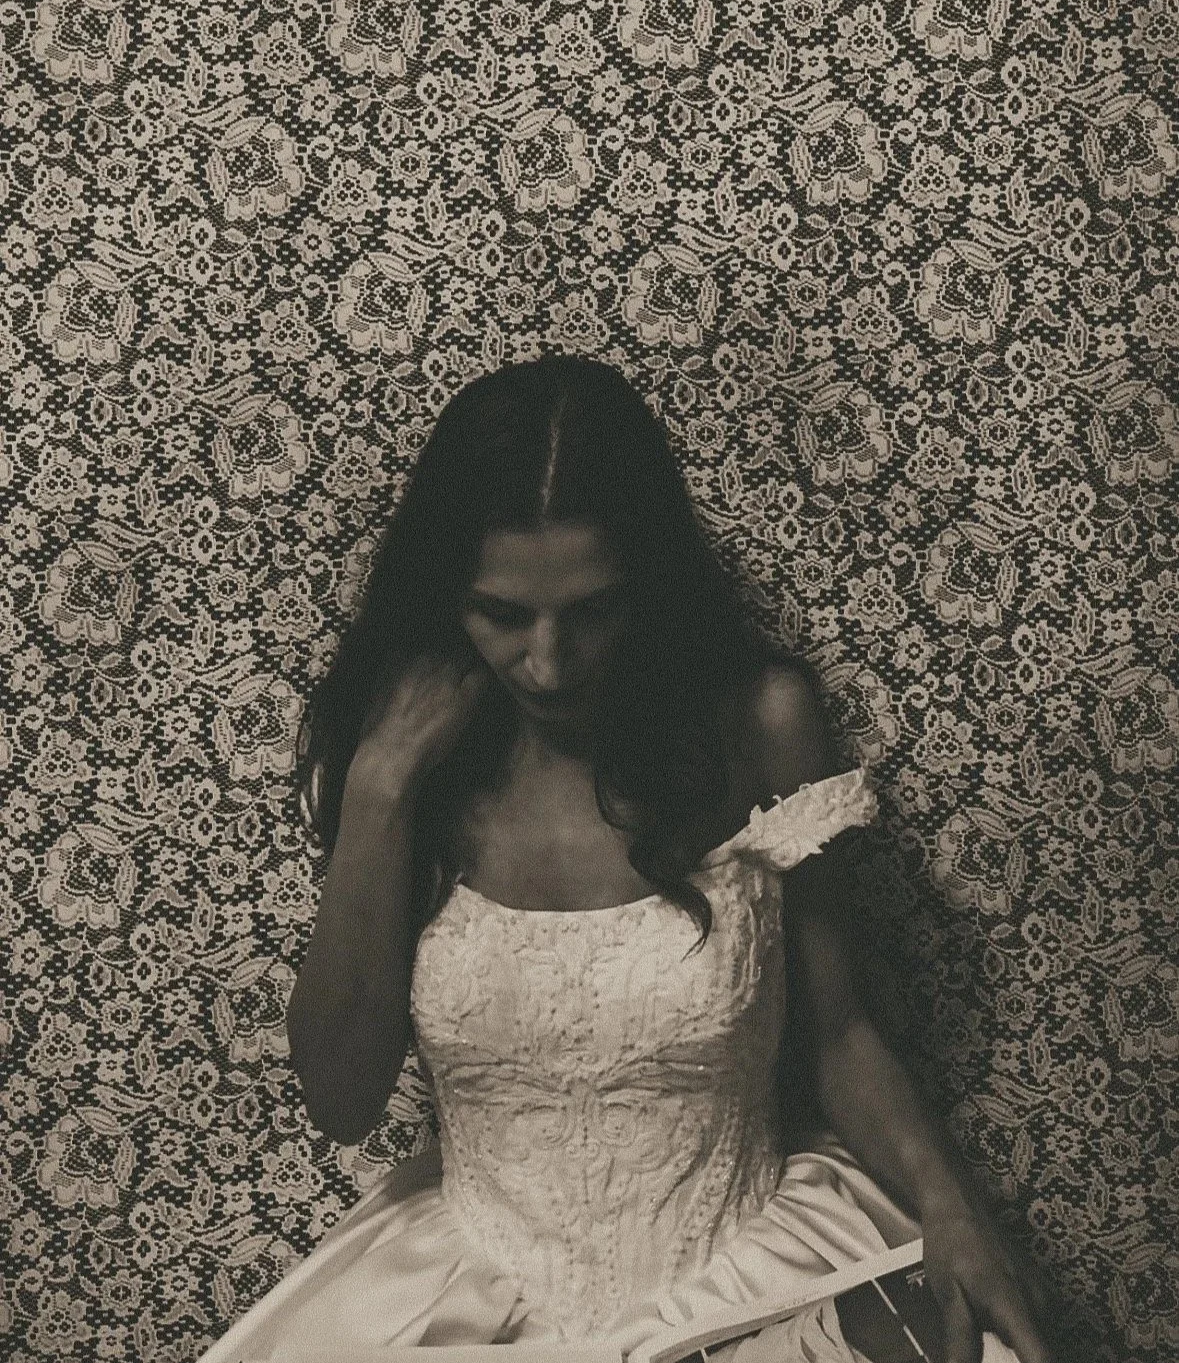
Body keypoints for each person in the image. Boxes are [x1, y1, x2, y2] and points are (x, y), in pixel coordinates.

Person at [199, 355, 1055, 1363]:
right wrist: (380, 785)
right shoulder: (400, 760)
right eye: (503, 614)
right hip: (474, 1307)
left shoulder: (759, 724)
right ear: (443, 596)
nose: (549, 662)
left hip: (749, 1288)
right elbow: (340, 1096)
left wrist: (957, 1218)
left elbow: (841, 1034)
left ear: (645, 580)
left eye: (592, 609)